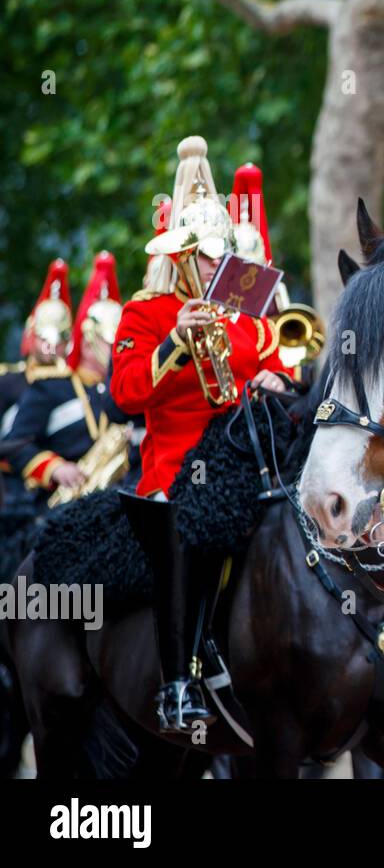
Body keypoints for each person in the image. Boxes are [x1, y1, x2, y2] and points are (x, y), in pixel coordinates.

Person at [111, 136, 289, 732]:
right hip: (183, 462)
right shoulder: (147, 312)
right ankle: (177, 681)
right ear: (183, 256)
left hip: (250, 451)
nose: (218, 267)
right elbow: (127, 392)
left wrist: (276, 374)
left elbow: (280, 357)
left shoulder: (244, 310)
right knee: (188, 522)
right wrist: (174, 345)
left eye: (222, 257)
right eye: (207, 258)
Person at [2, 256, 127, 512]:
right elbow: (14, 446)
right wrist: (55, 468)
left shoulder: (120, 391)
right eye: (109, 341)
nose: (115, 349)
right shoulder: (52, 387)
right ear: (90, 339)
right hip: (51, 508)